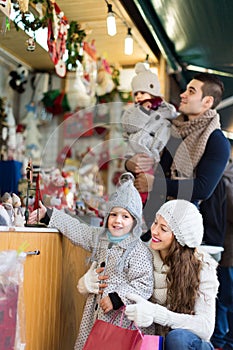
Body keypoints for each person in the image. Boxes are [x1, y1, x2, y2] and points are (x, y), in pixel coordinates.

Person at [28, 173, 154, 350]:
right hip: (96, 316)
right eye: (114, 214)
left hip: (121, 321)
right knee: (91, 344)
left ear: (134, 222)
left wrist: (117, 298)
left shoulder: (137, 250)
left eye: (125, 216)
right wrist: (48, 215)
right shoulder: (100, 238)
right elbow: (78, 230)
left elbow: (144, 284)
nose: (118, 220)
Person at [125, 72, 230, 233]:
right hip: (148, 219)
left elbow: (203, 188)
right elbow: (146, 155)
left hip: (183, 227)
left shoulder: (217, 141)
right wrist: (130, 163)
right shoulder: (171, 128)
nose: (183, 95)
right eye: (185, 90)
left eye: (191, 91)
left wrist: (155, 184)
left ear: (207, 101)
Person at [124, 199, 218, 350]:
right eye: (155, 223)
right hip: (154, 341)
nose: (154, 231)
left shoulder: (203, 267)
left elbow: (205, 328)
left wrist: (157, 314)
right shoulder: (142, 254)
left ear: (180, 238)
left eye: (163, 228)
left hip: (187, 343)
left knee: (178, 338)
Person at [122, 62, 177, 204]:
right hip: (139, 151)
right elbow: (130, 126)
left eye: (143, 92)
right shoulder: (133, 112)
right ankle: (137, 206)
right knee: (138, 186)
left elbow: (172, 115)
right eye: (136, 93)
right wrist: (143, 111)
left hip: (156, 154)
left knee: (146, 185)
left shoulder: (164, 110)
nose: (139, 96)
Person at [211, 158, 233, 350]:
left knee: (225, 300)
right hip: (227, 253)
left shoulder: (224, 177)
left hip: (225, 251)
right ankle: (221, 341)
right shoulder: (225, 179)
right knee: (225, 300)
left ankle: (222, 340)